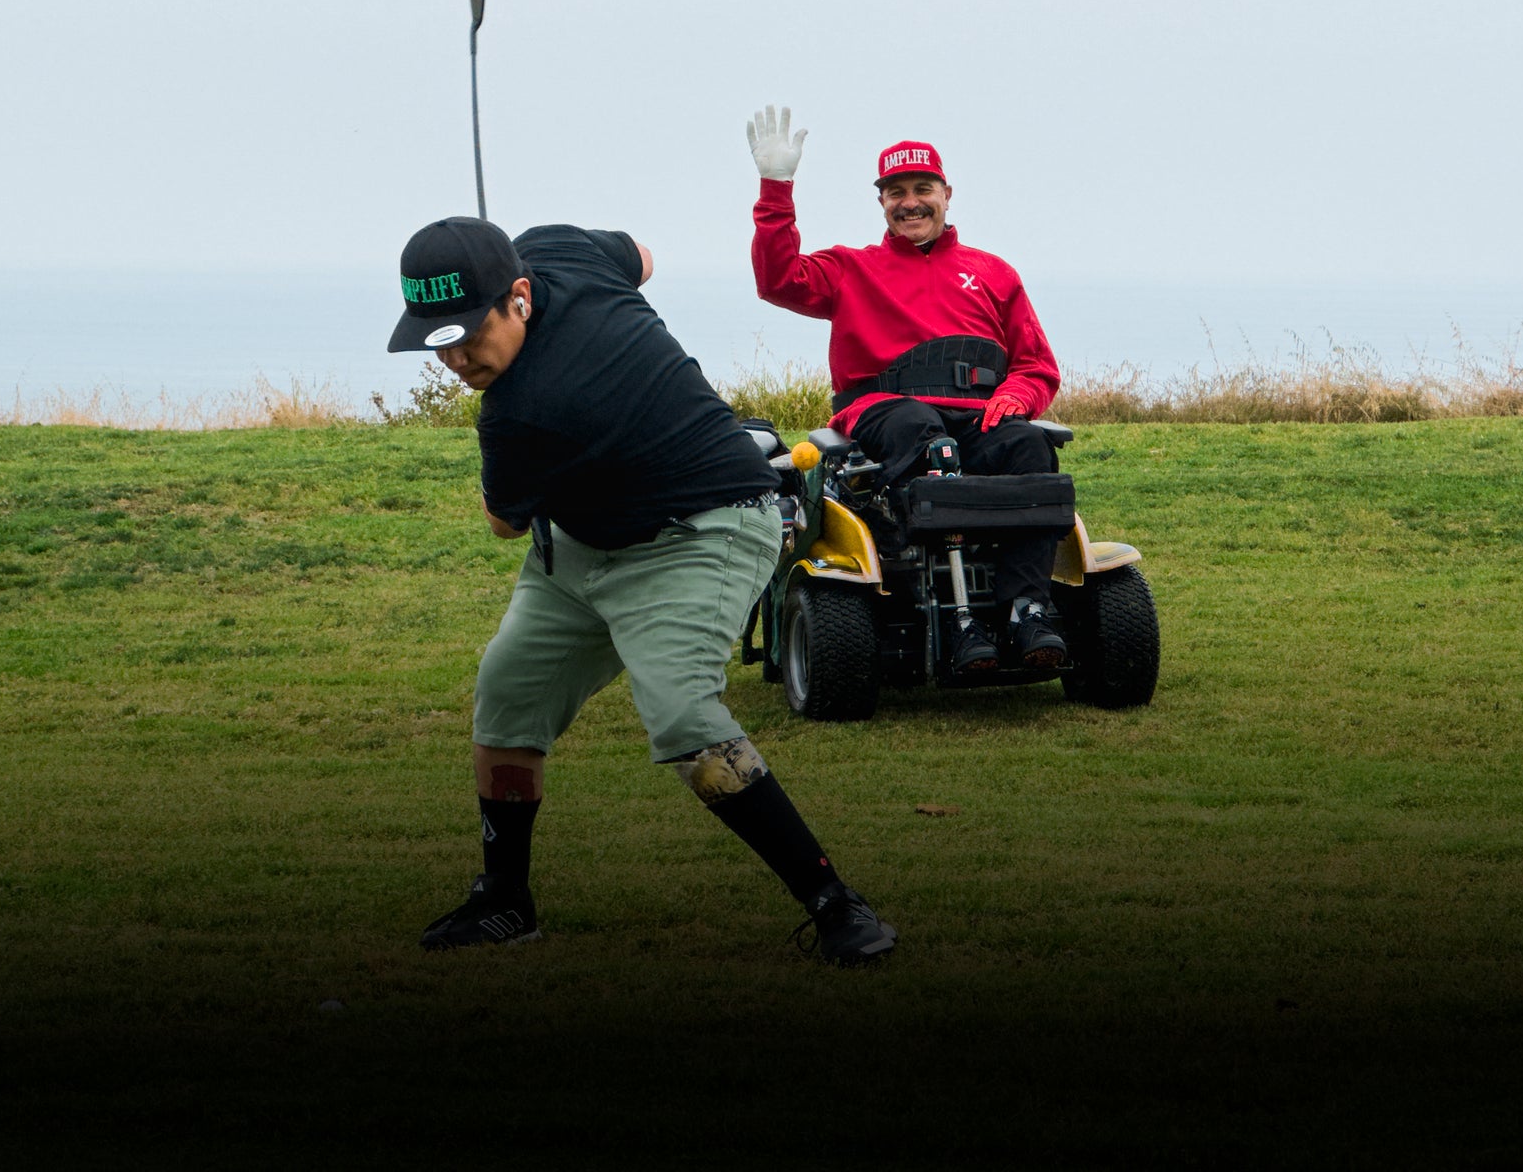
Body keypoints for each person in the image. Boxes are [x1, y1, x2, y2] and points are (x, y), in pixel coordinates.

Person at [388, 214, 895, 965]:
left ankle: (837, 906)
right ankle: (505, 902)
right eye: (438, 342)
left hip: (707, 527)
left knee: (682, 708)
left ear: (519, 295)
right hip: (585, 543)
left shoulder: (521, 412)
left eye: (470, 334)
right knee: (507, 693)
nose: (457, 358)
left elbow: (501, 521)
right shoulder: (560, 246)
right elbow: (643, 256)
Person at [745, 105, 1068, 674]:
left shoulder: (993, 273)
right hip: (886, 412)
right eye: (897, 192)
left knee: (1030, 448)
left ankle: (1026, 610)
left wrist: (1017, 397)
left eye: (923, 188)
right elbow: (777, 280)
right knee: (925, 437)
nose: (910, 202)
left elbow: (1036, 365)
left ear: (947, 194)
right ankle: (962, 620)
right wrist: (776, 189)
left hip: (978, 415)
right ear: (882, 203)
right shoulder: (852, 268)